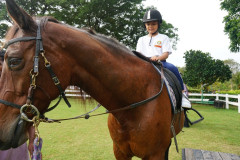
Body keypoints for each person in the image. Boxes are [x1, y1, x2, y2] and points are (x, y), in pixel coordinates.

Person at [136, 9, 191, 108]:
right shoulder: (141, 39)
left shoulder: (163, 38)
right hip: (144, 63)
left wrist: (157, 58)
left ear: (158, 24)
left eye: (153, 24)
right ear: (145, 25)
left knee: (173, 68)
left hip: (160, 62)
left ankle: (183, 95)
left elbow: (166, 54)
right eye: (148, 24)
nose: (150, 26)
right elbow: (138, 53)